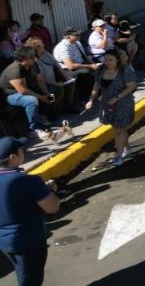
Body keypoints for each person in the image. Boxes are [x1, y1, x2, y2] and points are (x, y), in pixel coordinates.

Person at [0, 137, 59, 286]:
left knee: (22, 272)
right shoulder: (28, 181)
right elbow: (53, 207)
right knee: (31, 279)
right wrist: (49, 190)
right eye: (21, 150)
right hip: (28, 240)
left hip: (4, 241)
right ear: (13, 157)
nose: (23, 152)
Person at [84, 49, 136, 167]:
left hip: (123, 103)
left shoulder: (125, 70)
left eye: (110, 60)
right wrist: (91, 100)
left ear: (117, 59)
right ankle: (127, 149)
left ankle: (118, 156)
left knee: (119, 129)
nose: (108, 62)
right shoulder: (101, 70)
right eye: (106, 60)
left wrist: (117, 97)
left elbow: (132, 86)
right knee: (118, 128)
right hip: (107, 103)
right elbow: (96, 86)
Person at [0, 48, 54, 140]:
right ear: (24, 59)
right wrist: (41, 97)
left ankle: (38, 116)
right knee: (32, 101)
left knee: (50, 91)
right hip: (11, 95)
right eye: (32, 57)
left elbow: (40, 80)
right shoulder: (14, 70)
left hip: (27, 89)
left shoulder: (33, 65)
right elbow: (23, 90)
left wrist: (47, 94)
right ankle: (33, 129)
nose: (35, 59)